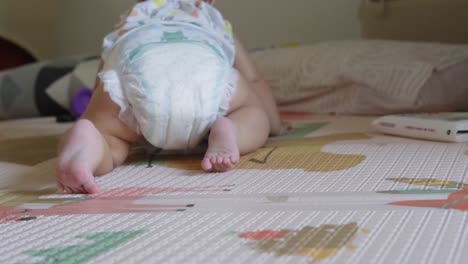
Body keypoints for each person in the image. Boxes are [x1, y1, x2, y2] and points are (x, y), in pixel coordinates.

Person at [56, 0, 283, 194]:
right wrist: (273, 123)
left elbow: (104, 79)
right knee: (252, 113)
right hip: (205, 72)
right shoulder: (209, 20)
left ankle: (89, 144)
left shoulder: (132, 20)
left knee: (109, 139)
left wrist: (96, 120)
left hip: (139, 65)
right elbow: (253, 80)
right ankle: (231, 129)